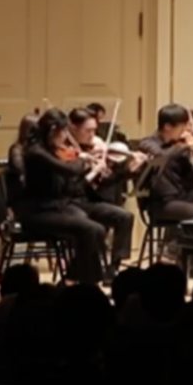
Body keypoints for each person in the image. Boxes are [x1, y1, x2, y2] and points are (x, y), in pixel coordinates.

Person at [16, 108, 109, 285]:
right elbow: (69, 170)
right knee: (88, 229)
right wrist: (83, 159)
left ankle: (77, 278)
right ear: (52, 131)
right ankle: (87, 282)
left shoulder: (51, 149)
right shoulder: (36, 152)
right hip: (37, 212)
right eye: (63, 131)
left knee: (97, 229)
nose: (66, 135)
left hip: (55, 207)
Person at [67, 107, 136, 276]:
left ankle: (113, 267)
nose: (93, 136)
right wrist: (92, 171)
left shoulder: (92, 148)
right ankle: (85, 269)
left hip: (88, 201)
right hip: (69, 203)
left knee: (125, 217)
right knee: (95, 227)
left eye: (94, 130)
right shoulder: (66, 151)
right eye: (88, 131)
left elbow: (102, 185)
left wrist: (126, 170)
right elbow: (71, 187)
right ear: (73, 129)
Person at [135, 104, 193, 223]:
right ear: (168, 127)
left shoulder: (178, 146)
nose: (186, 130)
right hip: (161, 202)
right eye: (183, 126)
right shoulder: (148, 143)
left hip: (182, 195)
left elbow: (190, 176)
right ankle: (182, 241)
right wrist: (185, 146)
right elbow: (161, 156)